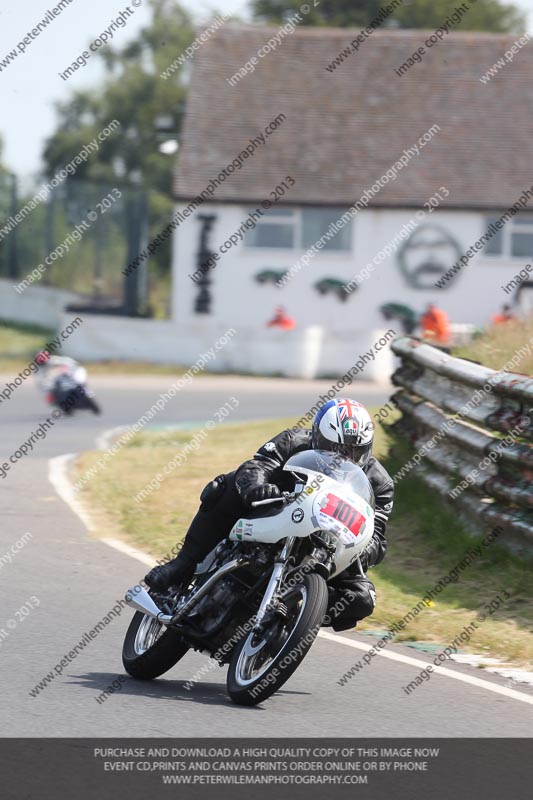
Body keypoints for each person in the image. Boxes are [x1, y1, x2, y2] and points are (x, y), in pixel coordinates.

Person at [145, 398, 394, 632]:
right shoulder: (293, 440)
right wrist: (256, 487)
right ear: (317, 436)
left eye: (354, 451)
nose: (344, 457)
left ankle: (295, 616)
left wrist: (362, 549)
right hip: (277, 516)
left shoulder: (380, 484)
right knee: (225, 485)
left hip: (331, 549)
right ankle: (182, 564)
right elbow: (256, 466)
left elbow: (377, 538)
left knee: (363, 598)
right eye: (335, 448)